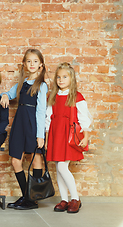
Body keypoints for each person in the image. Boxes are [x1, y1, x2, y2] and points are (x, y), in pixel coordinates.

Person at [0, 49, 48, 210]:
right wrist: (5, 95)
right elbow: (9, 93)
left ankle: (33, 199)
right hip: (19, 124)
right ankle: (27, 197)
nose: (32, 64)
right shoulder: (22, 83)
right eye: (29, 61)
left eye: (35, 61)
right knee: (15, 160)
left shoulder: (42, 85)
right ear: (24, 64)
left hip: (33, 124)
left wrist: (40, 136)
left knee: (36, 160)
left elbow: (41, 112)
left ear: (40, 65)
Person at [45, 62, 92, 214]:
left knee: (62, 167)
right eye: (58, 77)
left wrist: (86, 136)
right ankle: (64, 199)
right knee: (58, 169)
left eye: (64, 77)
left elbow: (84, 118)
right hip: (55, 133)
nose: (61, 80)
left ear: (71, 78)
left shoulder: (77, 97)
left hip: (68, 134)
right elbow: (48, 118)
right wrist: (46, 139)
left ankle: (75, 199)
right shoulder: (53, 96)